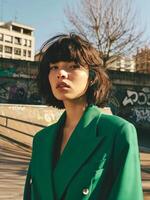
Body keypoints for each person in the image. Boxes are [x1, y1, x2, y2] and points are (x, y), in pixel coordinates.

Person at [23, 33, 143, 200]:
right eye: (54, 67)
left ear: (92, 77)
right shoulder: (41, 140)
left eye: (73, 66)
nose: (61, 73)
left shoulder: (118, 132)